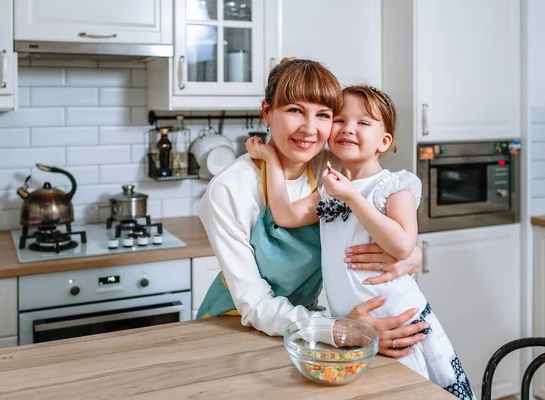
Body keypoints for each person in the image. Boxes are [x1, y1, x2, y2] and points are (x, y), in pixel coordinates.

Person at [247, 84, 475, 399]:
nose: (348, 129)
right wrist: (271, 158)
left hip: (399, 323)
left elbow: (402, 245)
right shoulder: (331, 188)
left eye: (363, 122)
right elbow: (285, 215)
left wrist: (353, 197)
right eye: (339, 120)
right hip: (358, 329)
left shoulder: (395, 186)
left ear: (384, 141)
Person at [196, 58, 429, 359]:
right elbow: (254, 304)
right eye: (295, 110)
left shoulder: (331, 170)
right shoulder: (229, 189)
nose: (309, 129)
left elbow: (383, 225)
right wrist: (338, 330)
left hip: (307, 327)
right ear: (267, 113)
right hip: (237, 327)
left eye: (323, 115)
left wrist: (410, 257)